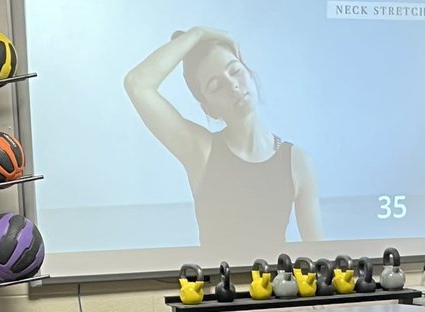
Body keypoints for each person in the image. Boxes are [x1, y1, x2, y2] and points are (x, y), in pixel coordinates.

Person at [124, 26, 323, 251]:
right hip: (219, 286)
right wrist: (198, 33)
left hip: (273, 285)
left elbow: (318, 256)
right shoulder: (201, 151)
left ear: (250, 74)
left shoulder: (298, 162)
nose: (232, 85)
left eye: (235, 71)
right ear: (208, 108)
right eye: (216, 85)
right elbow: (137, 84)